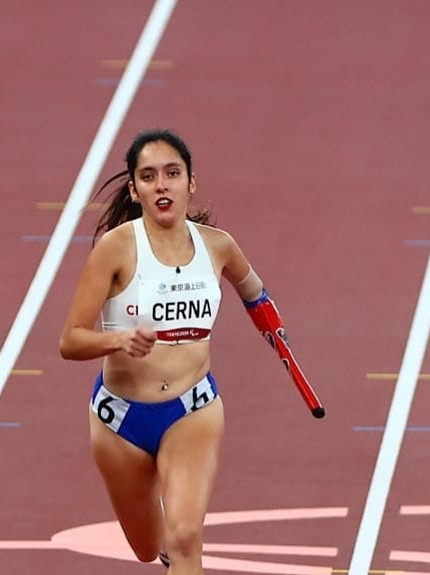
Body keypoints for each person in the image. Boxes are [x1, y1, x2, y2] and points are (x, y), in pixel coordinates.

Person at [60, 128, 312, 572]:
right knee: (146, 547)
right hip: (120, 421)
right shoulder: (115, 249)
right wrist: (119, 339)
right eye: (149, 176)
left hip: (192, 409)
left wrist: (278, 335)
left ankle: (177, 533)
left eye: (172, 174)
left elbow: (255, 294)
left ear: (190, 182)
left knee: (185, 536)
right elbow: (71, 340)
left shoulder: (218, 245)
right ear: (135, 190)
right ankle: (163, 528)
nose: (162, 185)